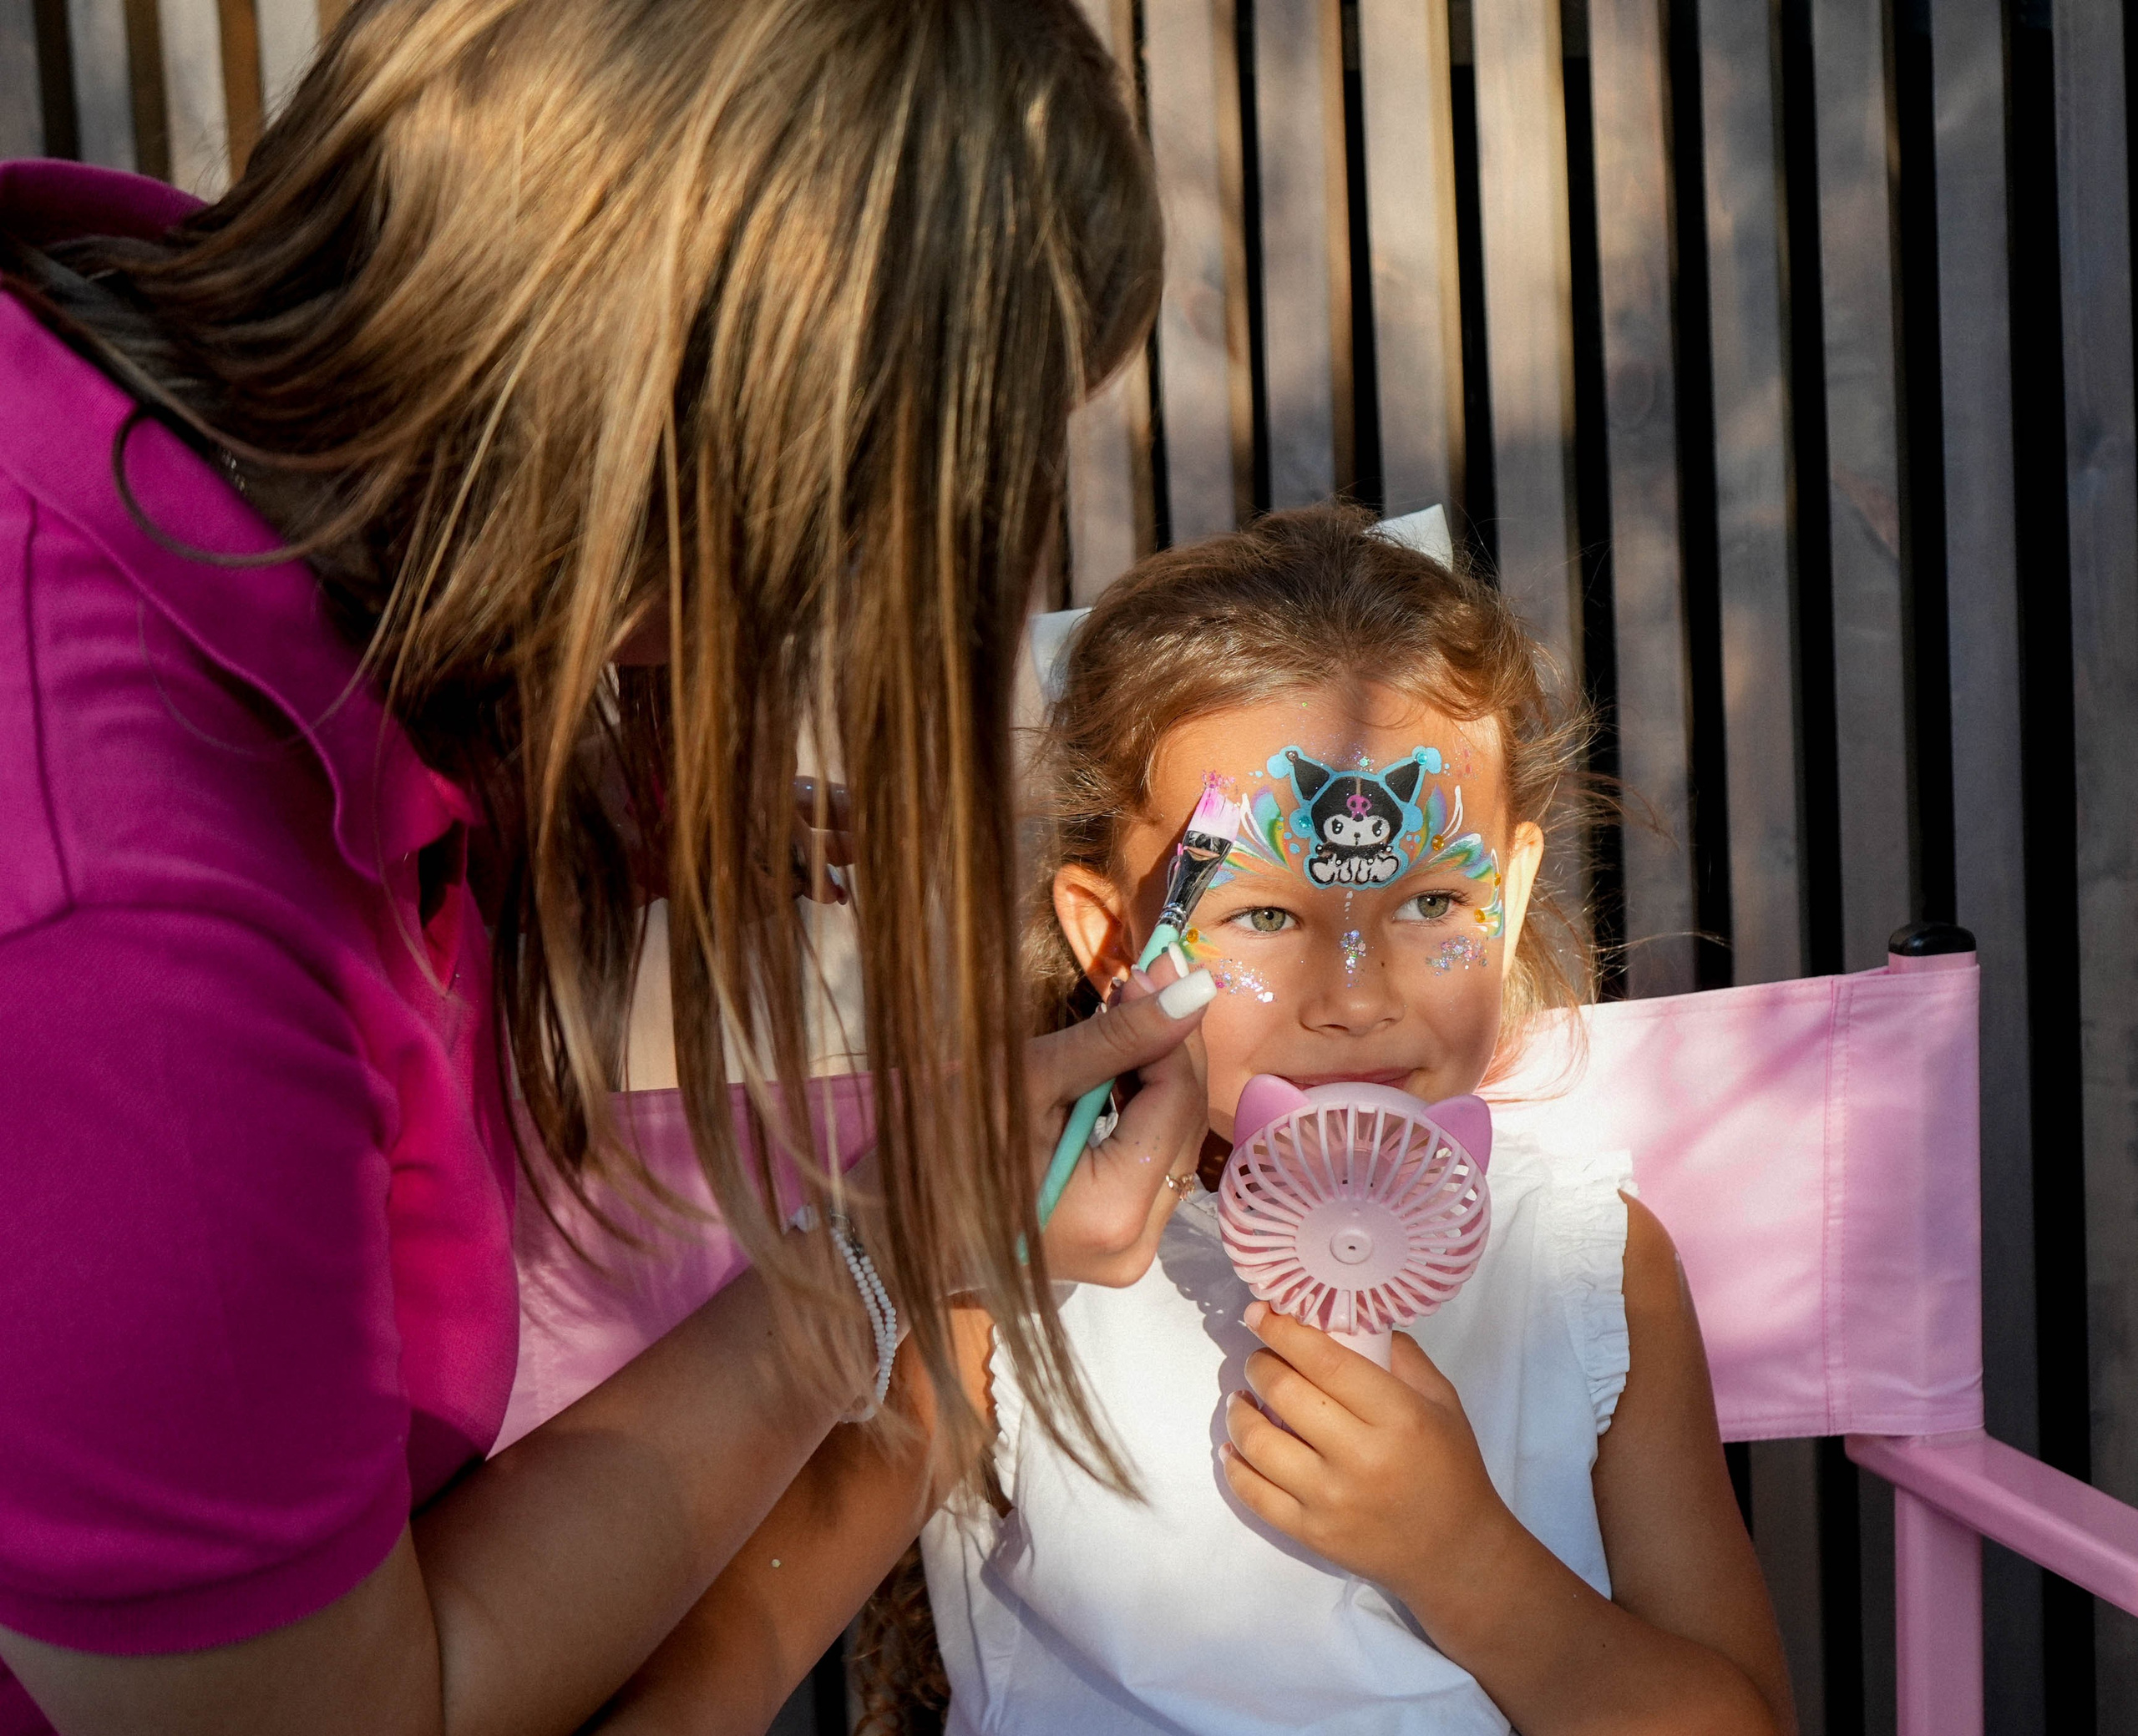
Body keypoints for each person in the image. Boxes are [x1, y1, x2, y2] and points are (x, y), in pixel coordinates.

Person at [0, 3, 1218, 1732]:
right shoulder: (114, 948)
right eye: (848, 552)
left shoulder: (174, 370)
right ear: (698, 486)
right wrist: (879, 1253)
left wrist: (548, 790)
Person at [715, 504, 1794, 1733]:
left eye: (1435, 899)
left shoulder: (1591, 1264)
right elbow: (741, 1646)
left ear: (1515, 895)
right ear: (1114, 938)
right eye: (1267, 918)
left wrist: (1469, 1563)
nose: (1356, 997)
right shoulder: (1009, 1262)